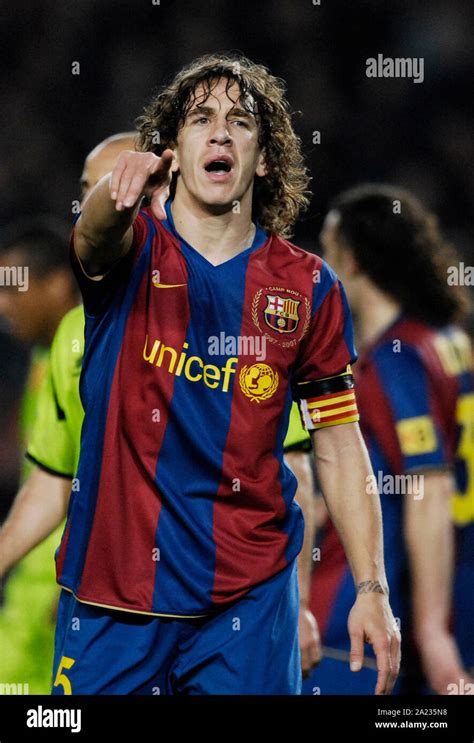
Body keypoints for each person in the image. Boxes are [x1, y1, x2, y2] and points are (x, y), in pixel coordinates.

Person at [51, 52, 400, 696]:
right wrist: (113, 191)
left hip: (248, 602)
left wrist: (371, 587)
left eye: (240, 123)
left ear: (262, 158)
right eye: (200, 119)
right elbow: (94, 237)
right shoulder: (133, 253)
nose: (219, 133)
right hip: (115, 596)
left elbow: (336, 442)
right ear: (173, 154)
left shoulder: (309, 287)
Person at [300, 184, 473, 695]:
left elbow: (428, 490)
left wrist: (432, 632)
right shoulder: (450, 339)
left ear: (350, 261)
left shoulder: (393, 359)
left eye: (328, 255)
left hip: (406, 602)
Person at [0, 134, 137, 693]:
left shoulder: (216, 320)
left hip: (104, 591)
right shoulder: (59, 348)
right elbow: (56, 472)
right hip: (45, 582)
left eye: (13, 289)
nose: (3, 306)